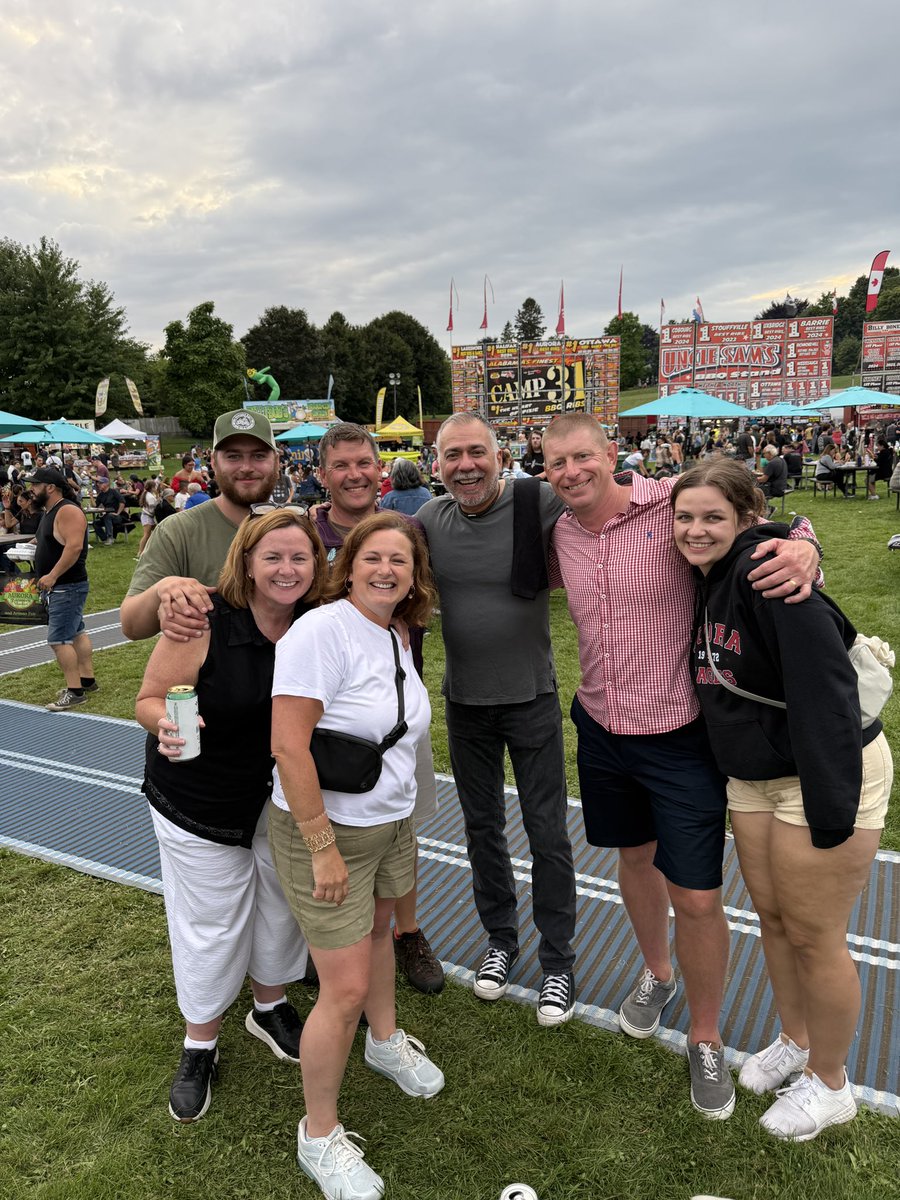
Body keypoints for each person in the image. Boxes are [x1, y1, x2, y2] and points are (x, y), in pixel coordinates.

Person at [540, 412, 822, 1118]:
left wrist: (804, 544)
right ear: (542, 470)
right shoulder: (559, 532)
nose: (570, 472)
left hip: (681, 737)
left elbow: (750, 510)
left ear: (611, 455)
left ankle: (705, 1034)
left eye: (582, 457)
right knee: (633, 863)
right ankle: (656, 974)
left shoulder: (669, 501)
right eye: (555, 463)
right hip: (601, 726)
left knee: (696, 896)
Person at [670, 459, 892, 1141]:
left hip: (821, 773)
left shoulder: (770, 576)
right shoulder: (710, 578)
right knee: (771, 917)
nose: (695, 530)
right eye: (684, 517)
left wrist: (831, 808)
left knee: (815, 932)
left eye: (713, 517)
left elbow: (827, 695)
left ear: (746, 518)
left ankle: (831, 1084)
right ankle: (795, 1040)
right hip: (757, 778)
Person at [268, 511, 443, 1199]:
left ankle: (385, 1040)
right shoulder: (321, 631)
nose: (386, 570)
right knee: (339, 989)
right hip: (328, 832)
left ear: (414, 575)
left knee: (376, 935)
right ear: (349, 564)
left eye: (400, 560)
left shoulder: (395, 630)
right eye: (374, 557)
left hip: (387, 823)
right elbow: (289, 746)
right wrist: (322, 849)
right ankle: (319, 1136)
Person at [135, 508, 326, 1122]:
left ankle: (268, 1006)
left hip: (280, 801)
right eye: (272, 556)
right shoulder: (203, 618)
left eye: (300, 557)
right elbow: (149, 697)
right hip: (199, 797)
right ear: (246, 561)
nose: (287, 569)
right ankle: (201, 1042)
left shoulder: (319, 625)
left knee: (278, 909)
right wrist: (163, 723)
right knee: (211, 923)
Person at [419, 414, 578, 1027]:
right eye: (453, 454)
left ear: (500, 454)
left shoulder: (536, 501)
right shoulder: (431, 520)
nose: (466, 465)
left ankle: (558, 961)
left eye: (477, 452)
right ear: (438, 464)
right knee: (482, 828)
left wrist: (798, 535)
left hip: (531, 697)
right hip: (465, 704)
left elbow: (626, 504)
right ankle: (501, 942)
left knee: (548, 833)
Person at [312, 422, 444, 994]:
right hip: (329, 713)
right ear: (322, 475)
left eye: (363, 462)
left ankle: (405, 932)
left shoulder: (407, 528)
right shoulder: (305, 532)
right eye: (340, 465)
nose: (354, 474)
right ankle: (335, 942)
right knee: (331, 828)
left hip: (398, 709)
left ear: (379, 466)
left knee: (403, 829)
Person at [29, 467, 97, 712]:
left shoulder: (67, 510)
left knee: (58, 640)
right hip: (63, 586)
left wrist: (52, 575)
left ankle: (75, 692)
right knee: (77, 632)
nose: (31, 490)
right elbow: (51, 540)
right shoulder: (51, 512)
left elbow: (74, 547)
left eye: (35, 485)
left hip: (66, 586)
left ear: (50, 487)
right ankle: (87, 680)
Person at [93, 477, 127, 544]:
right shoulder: (101, 494)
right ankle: (104, 539)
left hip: (117, 516)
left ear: (106, 484)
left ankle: (110, 537)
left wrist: (118, 513)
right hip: (107, 516)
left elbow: (122, 502)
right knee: (95, 523)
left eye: (100, 483)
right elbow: (95, 506)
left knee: (107, 516)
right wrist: (91, 496)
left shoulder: (113, 492)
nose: (98, 484)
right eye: (98, 483)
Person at [756, 445, 788, 511]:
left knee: (754, 492)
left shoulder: (772, 463)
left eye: (764, 453)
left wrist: (754, 478)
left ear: (769, 453)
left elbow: (763, 479)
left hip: (774, 489)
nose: (764, 456)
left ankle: (767, 509)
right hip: (783, 487)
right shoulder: (781, 460)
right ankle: (766, 509)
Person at [136, 479, 159, 558]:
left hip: (149, 516)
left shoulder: (148, 494)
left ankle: (151, 549)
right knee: (146, 535)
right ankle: (140, 551)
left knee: (155, 532)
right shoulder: (150, 496)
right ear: (152, 487)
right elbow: (154, 505)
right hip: (147, 516)